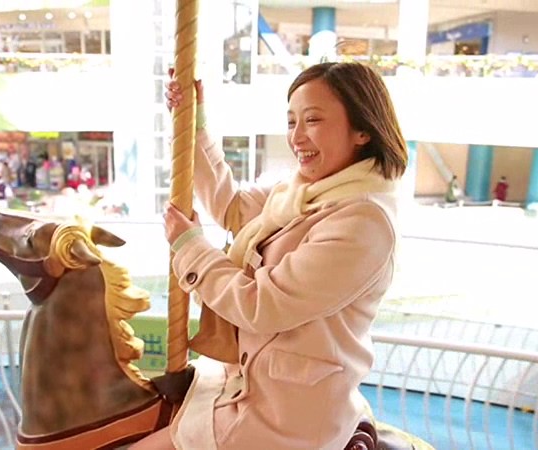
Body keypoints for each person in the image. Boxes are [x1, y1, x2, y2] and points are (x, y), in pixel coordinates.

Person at [133, 62, 407, 449]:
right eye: (292, 121)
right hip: (246, 380)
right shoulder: (301, 192)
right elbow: (232, 207)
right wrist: (193, 125)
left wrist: (191, 248)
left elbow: (263, 304)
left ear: (363, 130)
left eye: (312, 120)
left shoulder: (363, 221)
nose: (296, 136)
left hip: (285, 411)